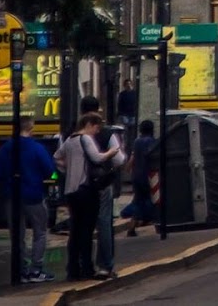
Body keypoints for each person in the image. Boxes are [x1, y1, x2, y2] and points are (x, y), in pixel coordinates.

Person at [56, 113, 122, 281]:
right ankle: (87, 268)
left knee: (75, 231)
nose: (96, 132)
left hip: (71, 191)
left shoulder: (70, 139)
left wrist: (67, 169)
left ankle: (73, 269)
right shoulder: (85, 139)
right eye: (96, 128)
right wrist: (111, 152)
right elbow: (96, 158)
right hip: (85, 190)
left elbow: (56, 157)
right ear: (89, 124)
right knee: (86, 231)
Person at [0, 116, 57, 283]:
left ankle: (20, 270)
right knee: (40, 232)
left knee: (17, 235)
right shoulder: (37, 148)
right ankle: (36, 270)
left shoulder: (6, 148)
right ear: (31, 128)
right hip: (33, 194)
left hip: (11, 196)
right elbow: (49, 170)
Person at [78, 96, 123, 278]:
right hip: (101, 183)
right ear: (98, 109)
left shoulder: (70, 131)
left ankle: (81, 265)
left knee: (81, 225)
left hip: (79, 185)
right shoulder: (106, 133)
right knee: (104, 222)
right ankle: (105, 265)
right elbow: (119, 159)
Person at [121, 121, 158, 235]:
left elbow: (132, 158)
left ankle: (132, 227)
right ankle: (155, 223)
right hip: (149, 176)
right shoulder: (152, 142)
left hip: (136, 176)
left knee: (138, 201)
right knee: (155, 200)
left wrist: (127, 168)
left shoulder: (137, 142)